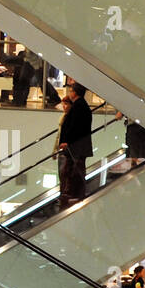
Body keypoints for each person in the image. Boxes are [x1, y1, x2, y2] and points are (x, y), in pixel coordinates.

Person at [56, 80, 93, 210]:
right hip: (76, 145)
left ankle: (73, 194)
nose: (69, 93)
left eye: (71, 90)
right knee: (72, 170)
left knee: (74, 171)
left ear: (75, 92)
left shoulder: (79, 106)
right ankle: (71, 193)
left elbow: (75, 127)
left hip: (76, 146)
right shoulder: (79, 105)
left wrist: (68, 142)